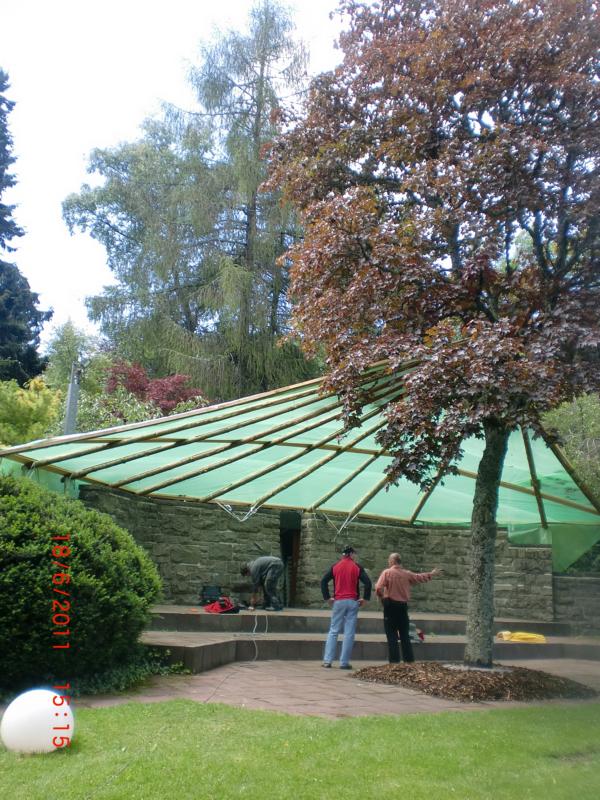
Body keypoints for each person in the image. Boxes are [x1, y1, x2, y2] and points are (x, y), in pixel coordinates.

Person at [375, 552, 442, 663]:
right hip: (402, 607)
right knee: (404, 635)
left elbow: (378, 588)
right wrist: (431, 574)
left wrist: (382, 598)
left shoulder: (387, 572)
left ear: (392, 561)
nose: (388, 562)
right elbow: (419, 577)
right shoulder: (406, 574)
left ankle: (394, 662)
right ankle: (409, 661)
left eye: (389, 560)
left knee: (391, 635)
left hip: (390, 606)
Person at [320, 545, 372, 670]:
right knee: (349, 633)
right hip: (352, 602)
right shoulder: (357, 567)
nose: (355, 556)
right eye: (354, 554)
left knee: (333, 631)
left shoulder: (335, 566)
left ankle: (327, 661)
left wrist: (327, 598)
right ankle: (344, 663)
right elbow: (368, 583)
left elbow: (323, 581)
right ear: (351, 554)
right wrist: (365, 598)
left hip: (338, 602)